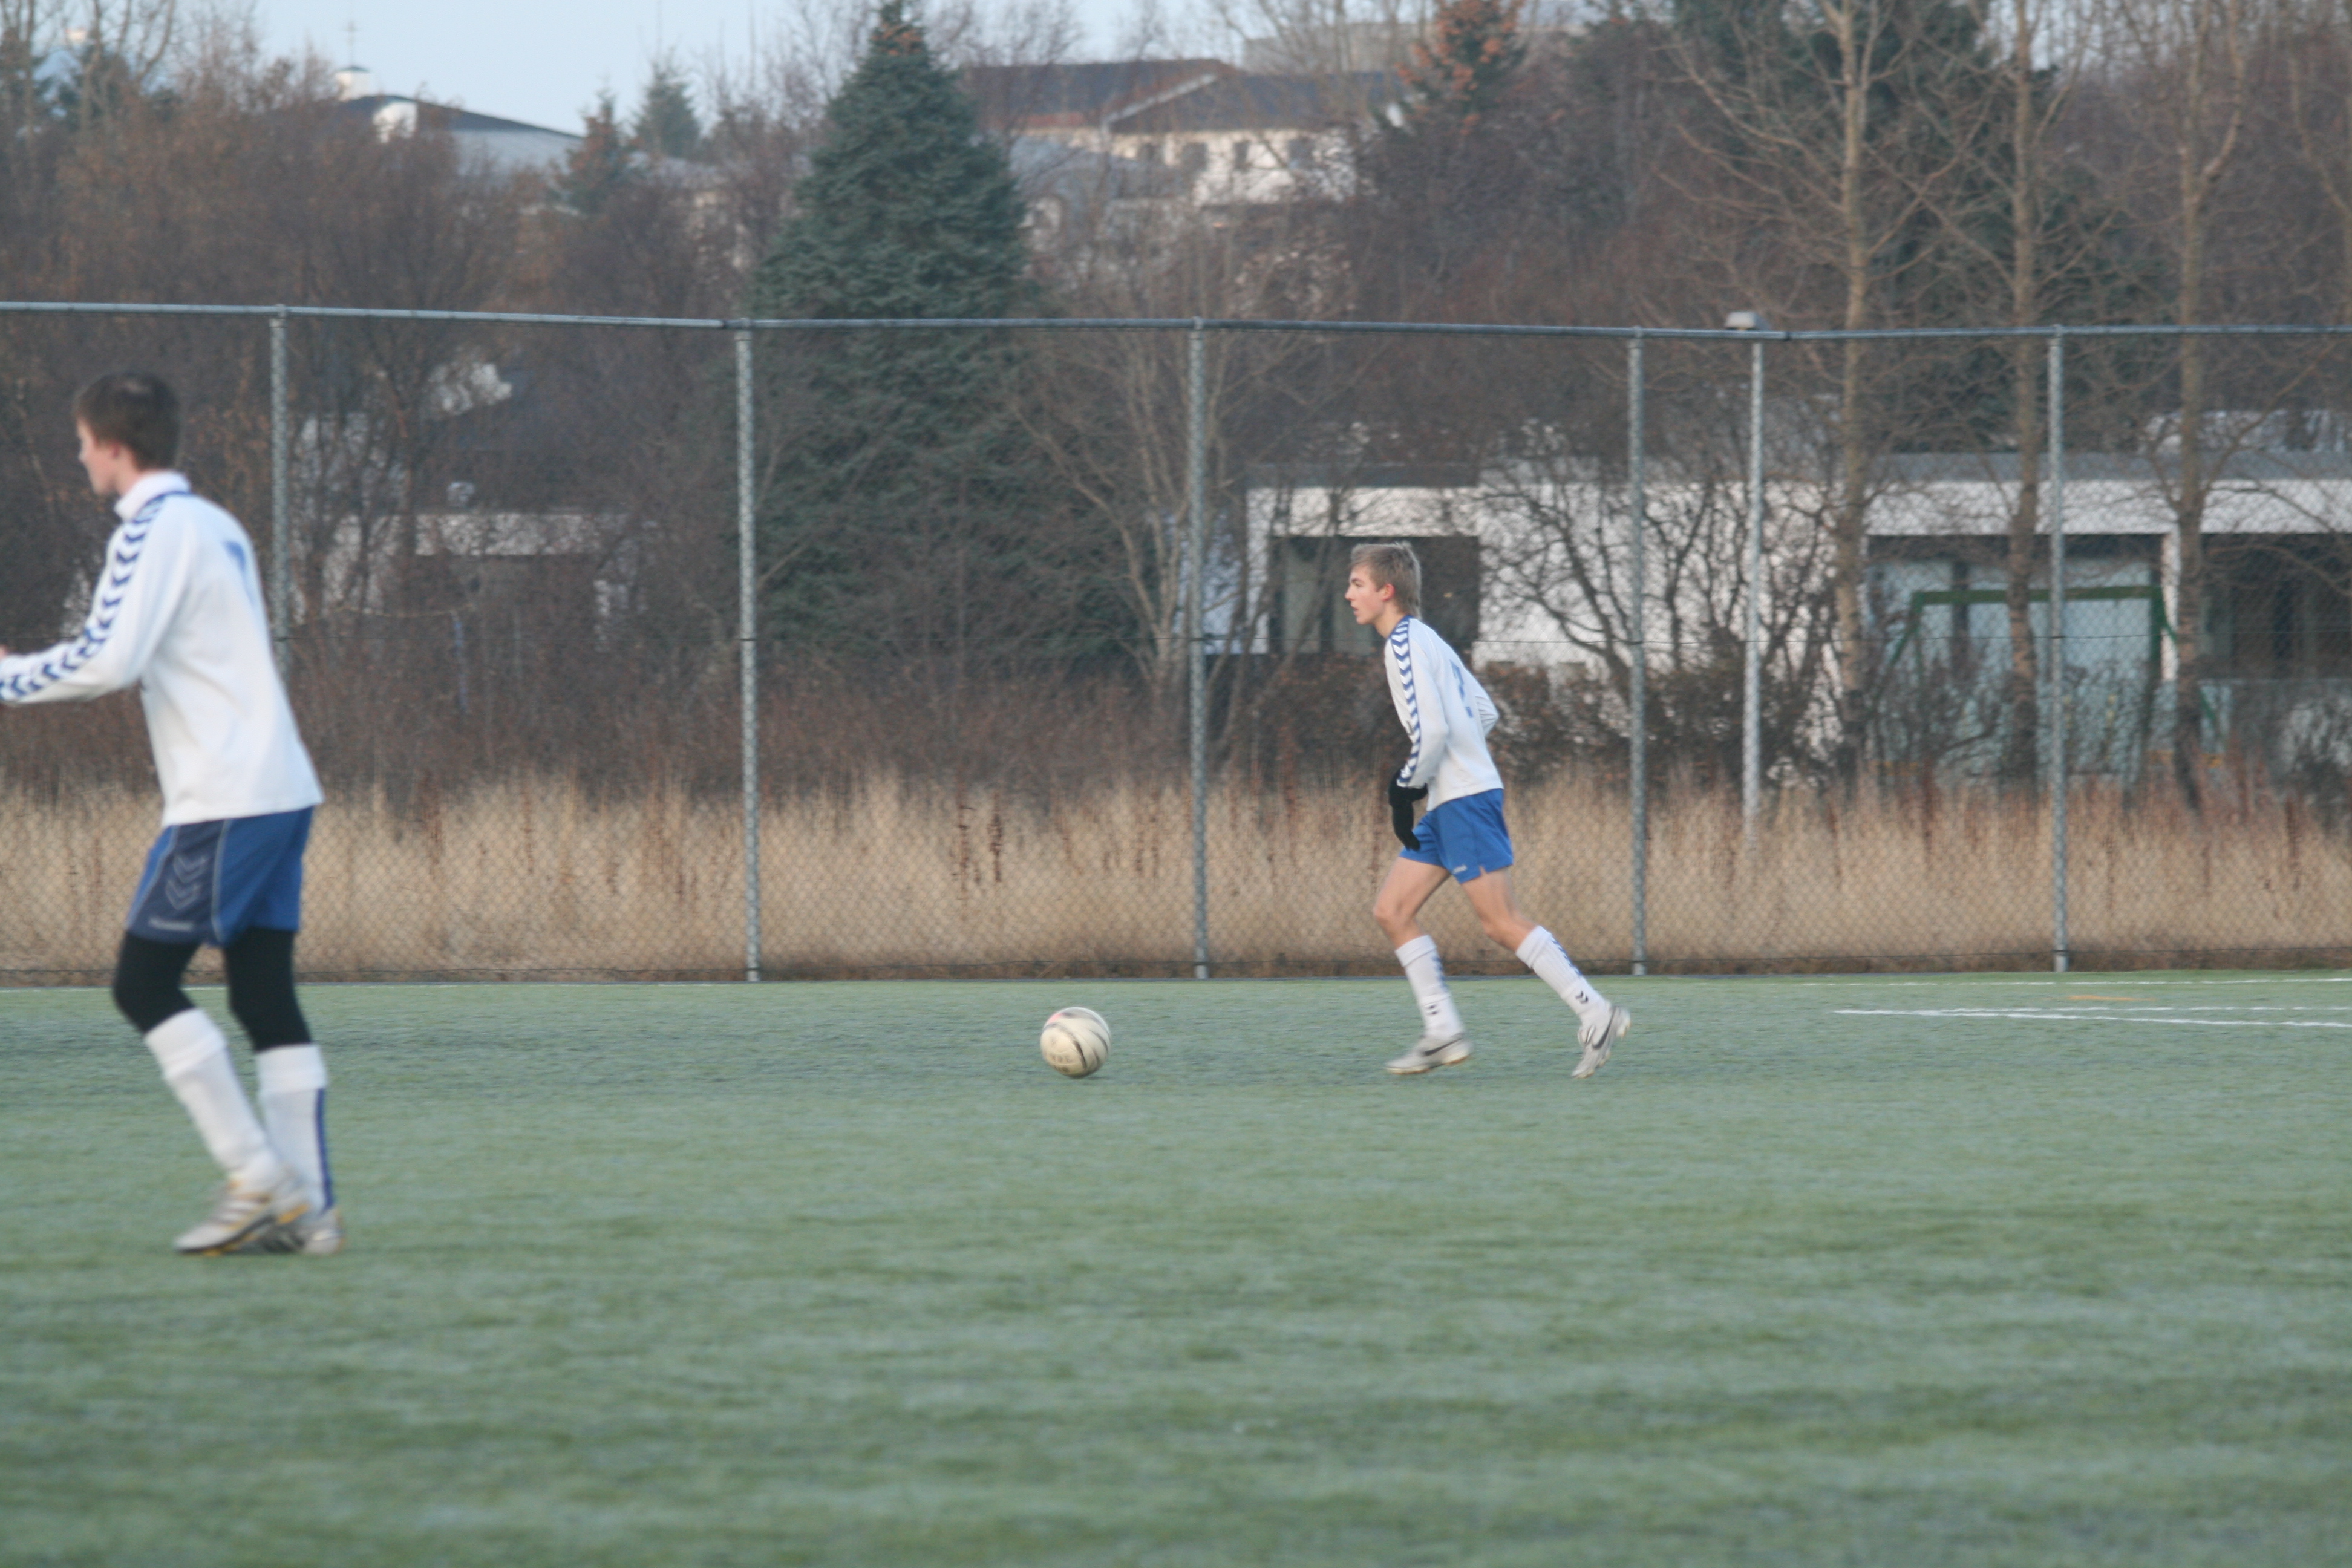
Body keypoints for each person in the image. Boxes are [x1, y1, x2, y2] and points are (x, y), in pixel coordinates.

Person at [0, 372, 339, 1256]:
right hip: (281, 786)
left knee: (142, 984)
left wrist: (6, 675)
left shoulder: (151, 530)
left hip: (225, 798)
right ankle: (313, 1214)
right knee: (263, 996)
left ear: (114, 447)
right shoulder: (217, 524)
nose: (80, 457)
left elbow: (108, 661)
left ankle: (259, 1180)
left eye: (84, 442)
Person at [1344, 541, 1632, 1078]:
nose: (1348, 594)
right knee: (1392, 910)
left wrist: (1405, 788)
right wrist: (1455, 767)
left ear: (1386, 591)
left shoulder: (1403, 643)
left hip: (1464, 800)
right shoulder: (1428, 637)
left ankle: (1595, 1011)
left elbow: (1433, 731)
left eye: (1357, 584)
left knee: (1500, 923)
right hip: (1453, 799)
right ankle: (1443, 1032)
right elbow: (1485, 711)